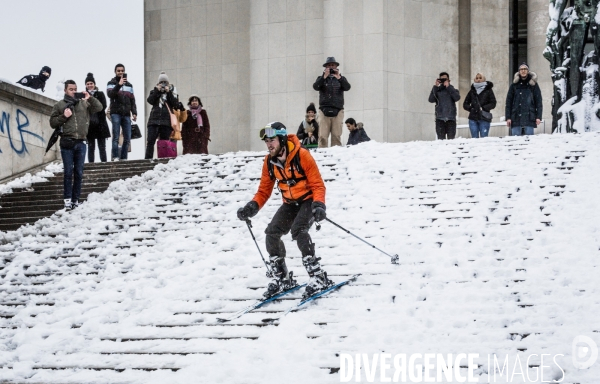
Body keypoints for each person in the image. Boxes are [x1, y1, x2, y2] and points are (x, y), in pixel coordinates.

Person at [236, 122, 332, 299]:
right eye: (266, 141)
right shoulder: (269, 161)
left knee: (299, 230)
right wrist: (252, 206)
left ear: (281, 139)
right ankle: (282, 277)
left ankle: (318, 276)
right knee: (272, 233)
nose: (269, 144)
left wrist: (319, 204)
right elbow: (264, 190)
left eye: (272, 140)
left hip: (308, 200)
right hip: (290, 203)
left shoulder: (302, 155)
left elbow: (318, 184)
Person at [49, 80, 102, 210]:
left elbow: (99, 108)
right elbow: (52, 122)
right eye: (71, 89)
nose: (73, 91)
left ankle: (75, 199)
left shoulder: (84, 103)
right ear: (65, 90)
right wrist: (64, 116)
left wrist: (90, 98)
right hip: (67, 142)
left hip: (81, 142)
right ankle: (67, 200)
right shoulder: (60, 105)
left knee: (78, 172)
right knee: (68, 172)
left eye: (75, 89)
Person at [145, 71, 186, 159]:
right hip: (154, 121)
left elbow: (175, 104)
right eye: (161, 82)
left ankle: (163, 159)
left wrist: (168, 93)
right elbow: (150, 100)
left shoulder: (171, 93)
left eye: (165, 82)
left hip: (166, 122)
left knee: (164, 142)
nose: (163, 84)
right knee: (150, 142)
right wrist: (157, 91)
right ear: (158, 83)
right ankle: (148, 159)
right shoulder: (154, 91)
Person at [313, 57, 351, 148]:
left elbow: (347, 87)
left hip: (338, 110)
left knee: (336, 136)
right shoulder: (321, 78)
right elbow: (315, 86)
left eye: (333, 65)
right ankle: (322, 155)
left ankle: (336, 156)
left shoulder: (341, 78)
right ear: (325, 67)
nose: (331, 67)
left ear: (336, 67)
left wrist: (339, 78)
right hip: (324, 109)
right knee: (322, 136)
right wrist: (323, 77)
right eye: (329, 65)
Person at [107, 63, 138, 161]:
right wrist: (119, 85)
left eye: (122, 70)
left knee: (127, 137)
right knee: (116, 136)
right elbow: (110, 94)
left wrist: (134, 112)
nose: (120, 72)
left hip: (126, 114)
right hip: (115, 113)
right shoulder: (111, 83)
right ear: (115, 72)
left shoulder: (129, 85)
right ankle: (115, 156)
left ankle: (124, 157)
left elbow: (132, 100)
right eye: (118, 71)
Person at [505, 62, 543, 136]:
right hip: (515, 117)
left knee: (529, 141)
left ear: (528, 71)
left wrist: (538, 116)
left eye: (525, 69)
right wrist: (508, 117)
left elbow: (538, 101)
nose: (523, 71)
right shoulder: (514, 85)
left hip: (529, 116)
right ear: (519, 71)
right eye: (521, 69)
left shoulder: (533, 84)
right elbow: (508, 102)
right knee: (515, 142)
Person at [84, 73, 111, 162]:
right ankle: (91, 164)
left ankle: (104, 163)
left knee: (102, 146)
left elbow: (103, 106)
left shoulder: (100, 94)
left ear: (94, 84)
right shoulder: (83, 95)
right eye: (87, 84)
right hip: (89, 124)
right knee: (91, 147)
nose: (89, 85)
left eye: (91, 83)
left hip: (100, 123)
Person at [462, 73, 497, 138]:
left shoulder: (488, 90)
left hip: (484, 117)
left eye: (480, 78)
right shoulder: (472, 91)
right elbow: (465, 104)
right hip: (473, 118)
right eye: (477, 78)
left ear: (484, 79)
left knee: (484, 138)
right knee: (474, 139)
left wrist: (483, 108)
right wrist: (471, 109)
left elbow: (493, 103)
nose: (478, 80)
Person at [428, 72, 460, 140]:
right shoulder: (437, 91)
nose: (444, 81)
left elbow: (457, 97)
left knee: (451, 139)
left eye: (445, 79)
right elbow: (431, 99)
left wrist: (448, 87)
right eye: (442, 79)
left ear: (449, 80)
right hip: (440, 118)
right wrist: (435, 86)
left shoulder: (453, 90)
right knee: (441, 140)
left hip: (451, 118)